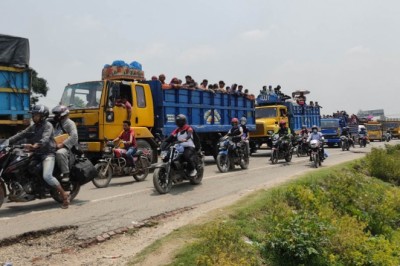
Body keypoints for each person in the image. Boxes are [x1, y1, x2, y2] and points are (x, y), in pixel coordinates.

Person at [8, 105, 69, 209]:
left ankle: (64, 196)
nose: (34, 117)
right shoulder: (34, 126)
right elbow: (22, 134)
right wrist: (7, 141)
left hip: (48, 154)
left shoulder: (48, 125)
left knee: (47, 176)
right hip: (36, 153)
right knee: (22, 166)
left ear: (43, 116)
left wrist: (36, 145)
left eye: (36, 115)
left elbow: (45, 139)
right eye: (33, 115)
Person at [52, 105, 79, 182]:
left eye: (57, 114)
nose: (55, 116)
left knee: (60, 153)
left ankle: (65, 173)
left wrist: (63, 144)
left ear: (63, 114)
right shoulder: (58, 124)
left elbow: (74, 136)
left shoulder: (70, 123)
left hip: (68, 148)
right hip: (58, 145)